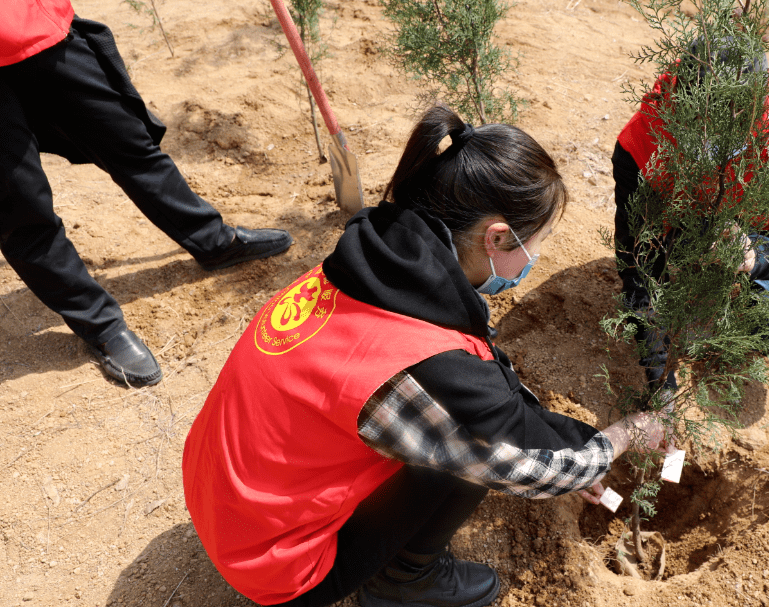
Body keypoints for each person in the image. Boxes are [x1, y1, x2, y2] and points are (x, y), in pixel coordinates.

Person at [182, 104, 672, 607]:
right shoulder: (423, 370)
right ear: (497, 237)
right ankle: (405, 583)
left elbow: (485, 386)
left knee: (458, 433)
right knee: (461, 456)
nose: (537, 258)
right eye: (537, 243)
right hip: (274, 561)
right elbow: (528, 460)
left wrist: (568, 437)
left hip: (222, 497)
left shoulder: (376, 265)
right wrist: (622, 437)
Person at [1, 0, 294, 388]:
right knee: (20, 207)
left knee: (129, 142)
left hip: (35, 28)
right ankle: (101, 325)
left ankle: (212, 240)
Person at [611, 45, 769, 390]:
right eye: (699, 123)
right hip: (680, 240)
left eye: (731, 121)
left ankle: (738, 297)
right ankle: (692, 283)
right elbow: (637, 262)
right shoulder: (644, 138)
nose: (710, 139)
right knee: (671, 305)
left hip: (761, 241)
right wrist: (661, 381)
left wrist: (758, 255)